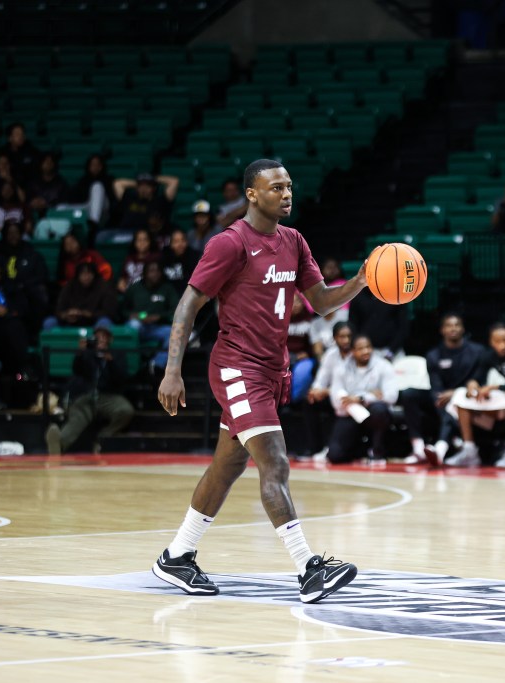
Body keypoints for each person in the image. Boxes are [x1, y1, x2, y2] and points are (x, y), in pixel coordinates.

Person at [154, 159, 365, 604]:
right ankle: (309, 567)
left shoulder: (293, 241)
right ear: (252, 194)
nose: (286, 194)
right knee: (275, 461)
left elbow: (322, 302)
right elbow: (188, 304)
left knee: (228, 466)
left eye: (289, 186)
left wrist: (362, 280)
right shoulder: (229, 244)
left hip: (273, 369)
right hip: (237, 368)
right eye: (276, 187)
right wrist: (173, 370)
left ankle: (177, 555)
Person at [446, 322, 505, 468]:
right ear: (490, 341)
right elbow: (477, 376)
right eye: (496, 341)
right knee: (459, 395)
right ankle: (469, 450)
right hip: (498, 399)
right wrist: (472, 384)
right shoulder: (488, 355)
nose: (501, 345)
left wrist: (497, 387)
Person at [400, 313, 486, 465]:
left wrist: (456, 392)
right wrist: (442, 397)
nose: (453, 328)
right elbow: (436, 386)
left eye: (456, 325)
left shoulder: (477, 351)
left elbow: (479, 380)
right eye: (449, 325)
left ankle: (440, 449)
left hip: (467, 397)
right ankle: (419, 448)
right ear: (442, 330)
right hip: (440, 397)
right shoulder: (433, 355)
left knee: (454, 403)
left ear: (463, 328)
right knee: (409, 394)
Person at [45, 323, 134, 455]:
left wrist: (111, 361)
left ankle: (102, 439)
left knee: (126, 410)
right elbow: (77, 371)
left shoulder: (117, 354)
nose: (101, 339)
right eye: (98, 336)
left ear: (110, 339)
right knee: (78, 415)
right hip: (88, 396)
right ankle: (59, 444)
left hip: (109, 396)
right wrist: (80, 353)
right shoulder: (88, 353)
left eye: (105, 336)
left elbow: (121, 378)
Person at [326, 335, 398, 463]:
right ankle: (360, 451)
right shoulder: (341, 368)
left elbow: (392, 396)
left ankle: (377, 451)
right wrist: (370, 396)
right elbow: (336, 401)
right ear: (353, 351)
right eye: (360, 348)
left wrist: (361, 398)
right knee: (335, 456)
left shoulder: (383, 365)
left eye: (368, 347)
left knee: (379, 410)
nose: (365, 351)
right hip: (349, 414)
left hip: (373, 414)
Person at [0, 220, 50, 330]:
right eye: (10, 233)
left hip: (25, 293)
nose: (13, 236)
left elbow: (42, 276)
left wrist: (23, 285)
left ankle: (34, 333)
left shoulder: (30, 252)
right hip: (3, 291)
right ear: (4, 234)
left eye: (16, 232)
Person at [305, 321, 352, 460]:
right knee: (310, 401)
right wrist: (316, 391)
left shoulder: (357, 353)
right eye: (342, 337)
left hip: (351, 400)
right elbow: (321, 378)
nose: (346, 340)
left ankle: (333, 447)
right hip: (334, 397)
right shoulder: (330, 355)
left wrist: (327, 391)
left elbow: (353, 386)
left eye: (349, 336)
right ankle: (315, 448)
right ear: (334, 338)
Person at [122, 261, 178, 369]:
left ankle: (156, 364)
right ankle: (133, 363)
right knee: (133, 325)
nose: (155, 274)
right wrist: (133, 315)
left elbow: (175, 310)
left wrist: (159, 316)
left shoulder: (167, 288)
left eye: (157, 271)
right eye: (151, 271)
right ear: (145, 273)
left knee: (175, 333)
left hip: (158, 327)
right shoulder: (135, 288)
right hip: (139, 326)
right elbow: (122, 310)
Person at [46, 262, 117, 331]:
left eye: (89, 274)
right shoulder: (70, 286)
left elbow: (110, 312)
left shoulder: (103, 287)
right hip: (70, 322)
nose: (86, 277)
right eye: (83, 274)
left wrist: (87, 314)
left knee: (104, 322)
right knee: (49, 322)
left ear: (94, 275)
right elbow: (59, 310)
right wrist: (66, 315)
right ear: (78, 276)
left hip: (94, 322)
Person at [348, 287, 409, 358]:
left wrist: (391, 351)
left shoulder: (395, 295)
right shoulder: (357, 296)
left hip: (394, 351)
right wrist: (362, 349)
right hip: (367, 352)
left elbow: (404, 326)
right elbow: (353, 326)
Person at [60, 153, 116, 231]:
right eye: (93, 164)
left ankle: (94, 223)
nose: (95, 167)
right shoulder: (84, 180)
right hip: (88, 207)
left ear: (102, 166)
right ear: (89, 166)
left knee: (97, 186)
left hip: (104, 209)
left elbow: (113, 198)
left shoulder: (108, 179)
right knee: (61, 207)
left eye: (98, 165)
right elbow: (75, 197)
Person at [115, 172, 179, 234]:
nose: (144, 188)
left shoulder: (160, 201)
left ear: (154, 188)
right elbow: (117, 184)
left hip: (148, 235)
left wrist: (153, 179)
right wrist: (139, 181)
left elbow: (174, 181)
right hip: (125, 232)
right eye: (141, 185)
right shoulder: (129, 199)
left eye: (148, 186)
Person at [0, 123, 41, 187]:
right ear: (10, 138)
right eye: (17, 134)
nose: (21, 136)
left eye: (22, 134)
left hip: (28, 188)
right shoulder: (1, 153)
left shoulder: (32, 152)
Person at [27, 153, 71, 220]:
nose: (48, 164)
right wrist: (33, 202)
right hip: (35, 215)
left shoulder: (61, 183)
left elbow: (64, 202)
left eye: (50, 162)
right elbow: (28, 198)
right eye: (46, 161)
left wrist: (46, 204)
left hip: (55, 216)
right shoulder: (33, 182)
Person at [116, 228, 160, 293]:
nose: (142, 243)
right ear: (134, 242)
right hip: (129, 292)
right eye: (139, 240)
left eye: (145, 240)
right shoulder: (129, 259)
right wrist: (121, 282)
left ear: (150, 241)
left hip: (147, 292)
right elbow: (122, 276)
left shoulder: (156, 258)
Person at [160, 229, 201, 293]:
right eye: (176, 241)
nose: (180, 244)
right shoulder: (164, 257)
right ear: (170, 244)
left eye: (183, 240)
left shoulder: (194, 257)